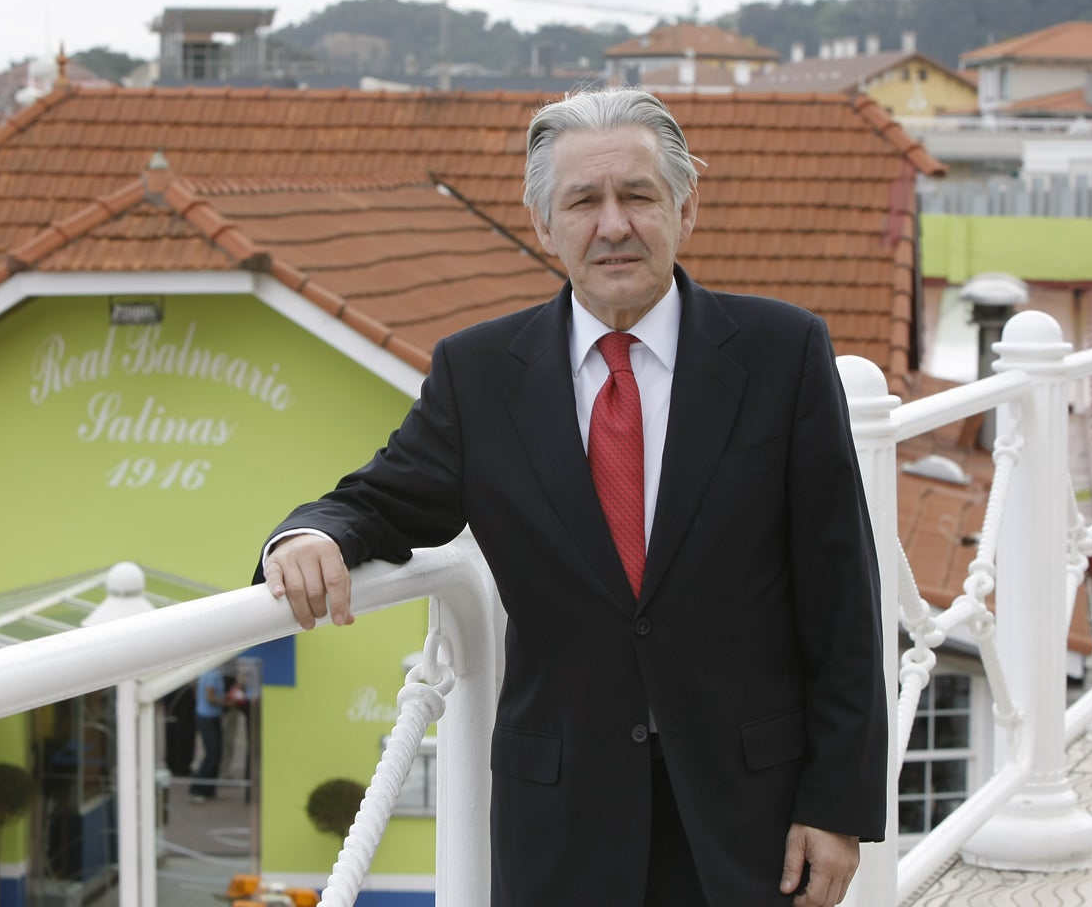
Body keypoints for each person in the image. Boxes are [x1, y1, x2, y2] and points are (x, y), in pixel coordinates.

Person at [254, 87, 886, 906]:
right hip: (561, 813)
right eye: (583, 201)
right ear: (543, 225)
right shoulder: (480, 375)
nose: (613, 224)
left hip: (748, 809)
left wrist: (835, 806)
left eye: (639, 196)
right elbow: (384, 498)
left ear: (685, 212)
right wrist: (310, 537)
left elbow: (842, 600)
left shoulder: (783, 352)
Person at [189, 666, 227, 804]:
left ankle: (210, 788)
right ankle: (197, 789)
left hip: (210, 715)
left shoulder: (209, 672)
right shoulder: (213, 674)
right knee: (212, 753)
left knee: (216, 753)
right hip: (207, 717)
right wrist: (225, 701)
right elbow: (210, 696)